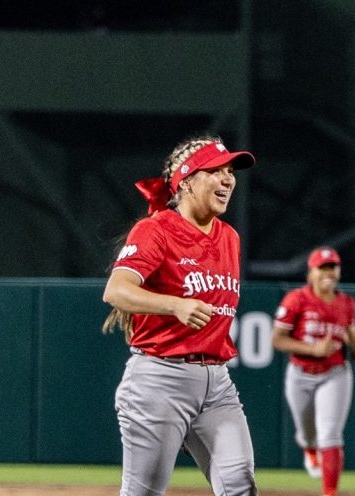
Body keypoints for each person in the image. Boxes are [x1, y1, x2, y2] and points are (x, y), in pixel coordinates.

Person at [101, 135, 258, 496]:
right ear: (186, 181)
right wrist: (174, 304)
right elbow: (117, 290)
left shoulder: (229, 237)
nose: (228, 179)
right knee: (143, 492)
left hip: (216, 383)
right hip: (160, 379)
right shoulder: (156, 230)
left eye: (230, 171)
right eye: (215, 171)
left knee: (239, 485)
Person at [272, 245, 355, 496]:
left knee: (330, 432)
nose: (328, 272)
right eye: (323, 268)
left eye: (332, 267)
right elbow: (277, 340)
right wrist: (313, 349)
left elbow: (351, 341)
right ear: (311, 273)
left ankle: (330, 492)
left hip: (335, 373)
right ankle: (309, 449)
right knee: (308, 434)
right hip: (300, 373)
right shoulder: (296, 299)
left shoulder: (347, 304)